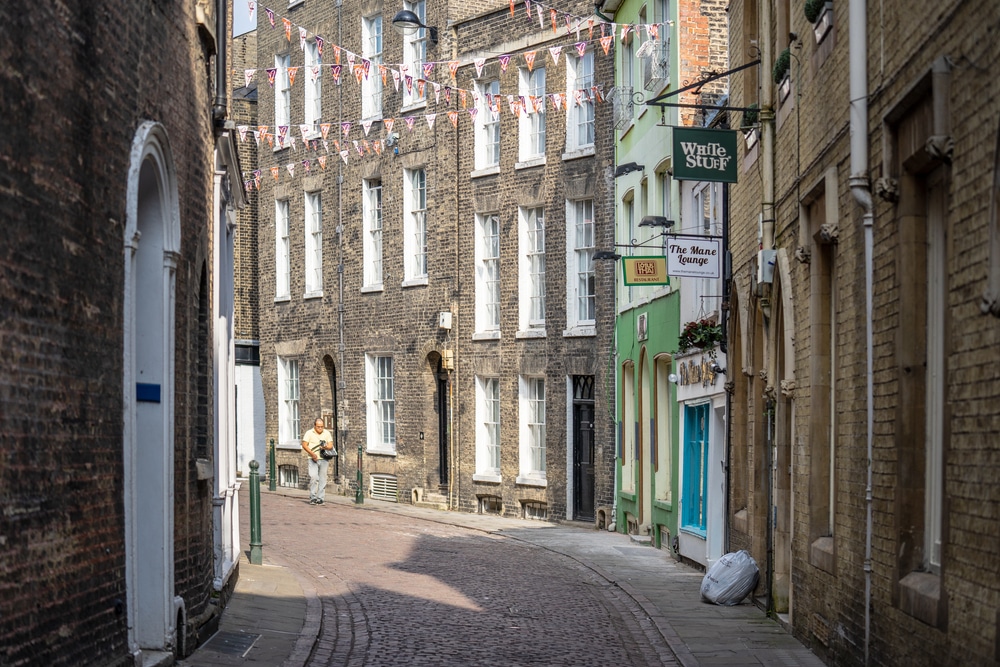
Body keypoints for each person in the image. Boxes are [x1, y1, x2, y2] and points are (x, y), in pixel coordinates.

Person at [301, 418, 334, 505]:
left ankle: (320, 498)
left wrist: (325, 447)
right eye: (318, 426)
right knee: (314, 477)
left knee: (323, 478)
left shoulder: (326, 433)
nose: (320, 428)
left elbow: (330, 445)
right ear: (314, 426)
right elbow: (304, 445)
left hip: (324, 458)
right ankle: (313, 497)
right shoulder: (309, 433)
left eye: (322, 426)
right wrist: (312, 454)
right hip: (312, 459)